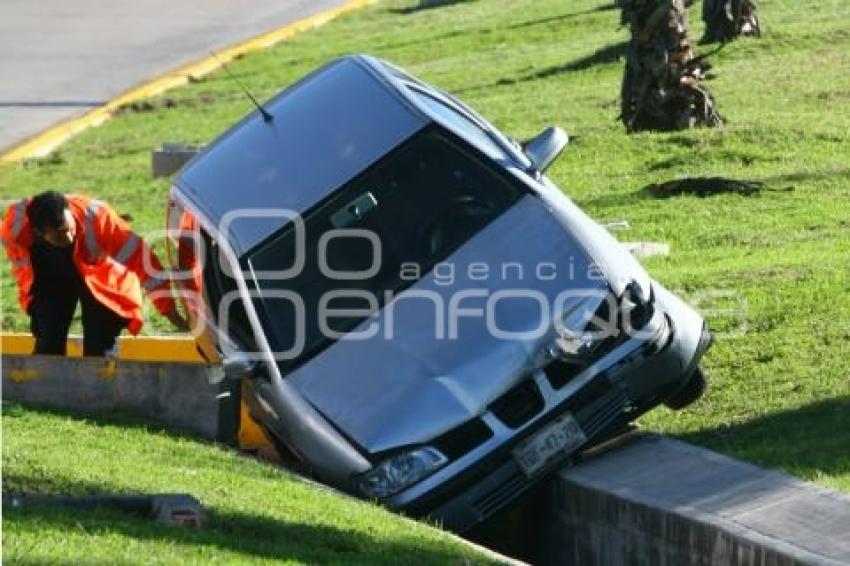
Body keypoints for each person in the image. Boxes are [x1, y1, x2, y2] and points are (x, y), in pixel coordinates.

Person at [1, 190, 187, 356]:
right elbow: (24, 271)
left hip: (102, 279)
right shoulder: (15, 230)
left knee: (99, 345)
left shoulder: (99, 221)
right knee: (48, 339)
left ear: (70, 213)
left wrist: (168, 308)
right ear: (38, 233)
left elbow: (144, 262)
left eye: (69, 229)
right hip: (52, 277)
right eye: (59, 236)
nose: (68, 237)